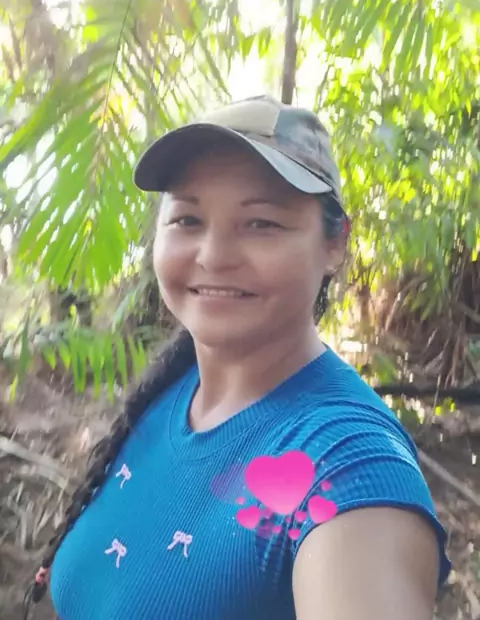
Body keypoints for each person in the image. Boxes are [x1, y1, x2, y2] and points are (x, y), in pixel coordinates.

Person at [25, 95, 451, 620]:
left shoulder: (348, 465)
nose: (213, 256)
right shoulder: (170, 392)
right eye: (188, 219)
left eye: (261, 224)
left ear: (335, 243)